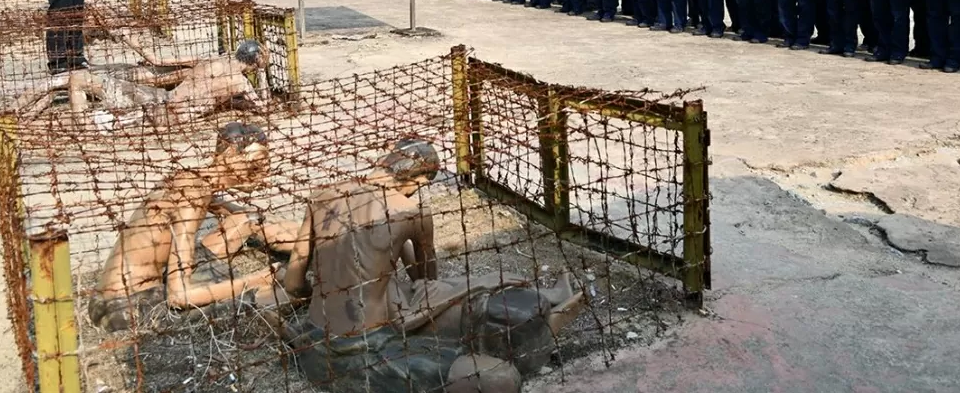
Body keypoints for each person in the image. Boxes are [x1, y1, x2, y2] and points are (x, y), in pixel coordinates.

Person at [280, 139, 586, 393]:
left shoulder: (321, 197)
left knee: (418, 293)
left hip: (315, 342)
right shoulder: (408, 211)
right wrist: (405, 255)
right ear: (420, 180)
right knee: (499, 377)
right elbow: (427, 283)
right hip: (368, 351)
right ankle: (533, 309)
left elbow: (294, 284)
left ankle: (534, 300)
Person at [88, 123, 293, 332]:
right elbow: (179, 297)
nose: (264, 173)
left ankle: (313, 245)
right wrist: (258, 279)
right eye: (257, 163)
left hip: (108, 297)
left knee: (246, 217)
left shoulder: (191, 179)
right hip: (127, 308)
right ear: (231, 154)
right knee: (283, 294)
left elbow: (245, 216)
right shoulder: (194, 193)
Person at [121, 35, 271, 123]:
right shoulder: (241, 83)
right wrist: (262, 71)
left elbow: (156, 60)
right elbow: (264, 109)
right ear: (254, 63)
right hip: (178, 116)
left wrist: (130, 40)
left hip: (164, 98)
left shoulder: (209, 60)